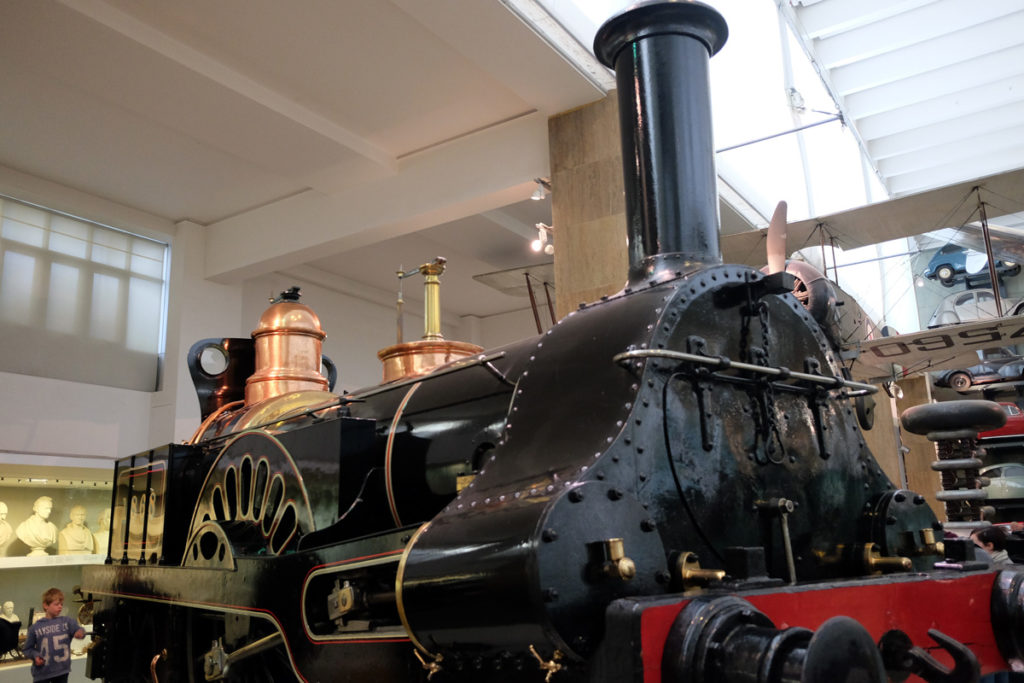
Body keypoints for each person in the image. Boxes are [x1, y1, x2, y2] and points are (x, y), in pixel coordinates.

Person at [22, 588, 85, 683]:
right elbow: (27, 649)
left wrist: (80, 632)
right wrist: (35, 656)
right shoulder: (35, 627)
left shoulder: (67, 622)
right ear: (45, 605)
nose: (60, 607)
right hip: (42, 673)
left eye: (61, 604)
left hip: (62, 672)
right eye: (56, 604)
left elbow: (79, 630)